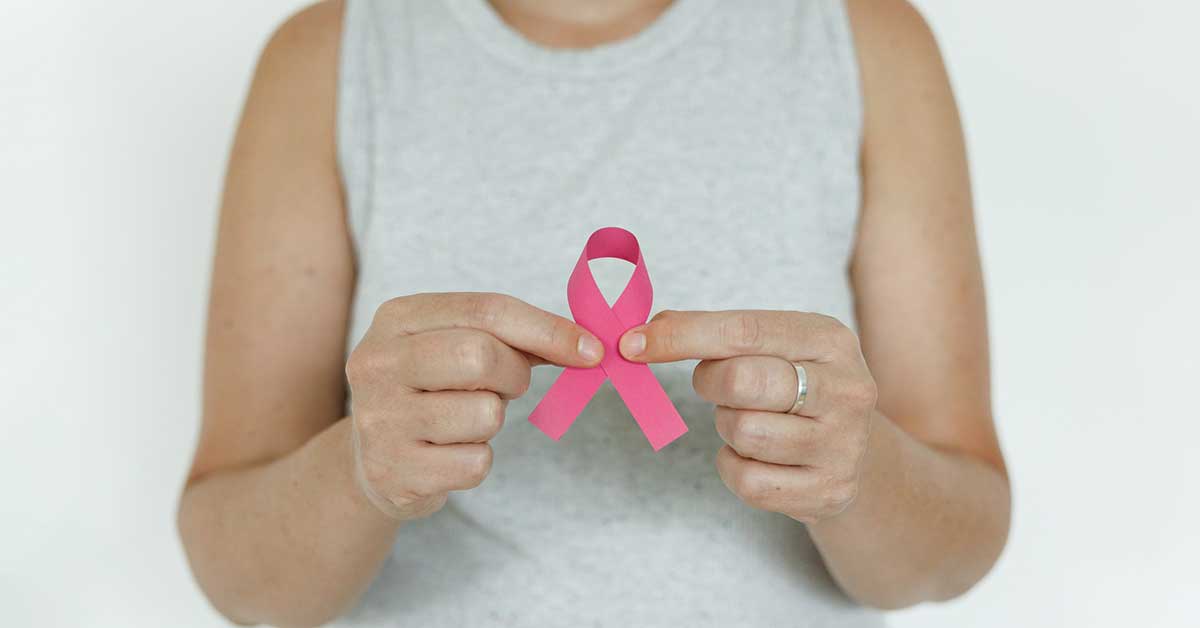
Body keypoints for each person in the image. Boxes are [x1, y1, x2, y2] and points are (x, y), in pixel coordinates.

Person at [176, 0, 1011, 626]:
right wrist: (361, 472)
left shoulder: (862, 39)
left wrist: (858, 477)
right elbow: (236, 571)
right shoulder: (332, 56)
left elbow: (960, 542)